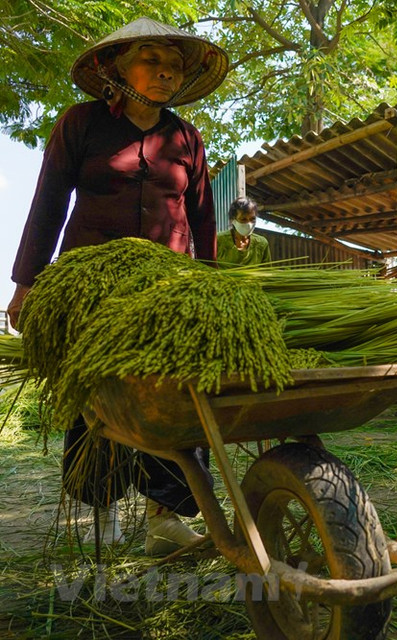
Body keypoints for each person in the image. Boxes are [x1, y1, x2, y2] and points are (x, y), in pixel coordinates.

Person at [6, 17, 229, 555]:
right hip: (90, 287)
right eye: (153, 60)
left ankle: (166, 518)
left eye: (174, 66)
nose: (167, 73)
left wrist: (212, 284)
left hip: (167, 288)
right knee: (99, 394)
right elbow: (49, 202)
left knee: (177, 393)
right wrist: (26, 282)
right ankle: (100, 507)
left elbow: (201, 218)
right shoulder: (80, 125)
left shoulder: (185, 137)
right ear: (118, 68)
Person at [216, 197, 271, 267]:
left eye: (252, 219)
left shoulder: (261, 244)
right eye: (243, 219)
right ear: (232, 220)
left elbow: (267, 273)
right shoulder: (218, 241)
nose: (249, 224)